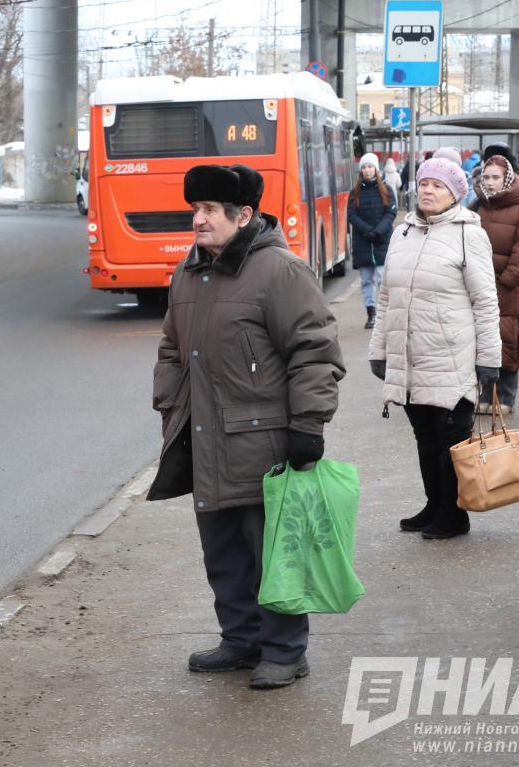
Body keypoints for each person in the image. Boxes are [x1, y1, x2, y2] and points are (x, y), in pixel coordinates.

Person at [149, 163, 344, 690]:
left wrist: (308, 423)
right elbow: (171, 347)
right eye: (195, 209)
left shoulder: (280, 270)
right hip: (205, 436)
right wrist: (170, 405)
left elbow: (316, 350)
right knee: (224, 550)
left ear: (245, 215)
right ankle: (240, 639)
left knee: (273, 553)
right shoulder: (189, 271)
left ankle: (284, 651)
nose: (198, 220)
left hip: (264, 440)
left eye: (209, 210)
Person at [368, 150, 501, 539]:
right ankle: (434, 503)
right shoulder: (402, 233)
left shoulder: (469, 235)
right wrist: (379, 351)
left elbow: (485, 301)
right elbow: (387, 296)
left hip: (452, 356)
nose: (428, 190)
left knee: (451, 439)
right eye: (424, 183)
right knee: (425, 435)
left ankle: (455, 513)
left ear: (455, 193)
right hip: (410, 356)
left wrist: (489, 360)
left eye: (437, 186)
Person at [470, 155, 519, 415]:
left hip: (508, 288)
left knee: (507, 339)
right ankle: (484, 395)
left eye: (495, 177)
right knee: (482, 340)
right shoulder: (478, 206)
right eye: (486, 177)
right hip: (479, 286)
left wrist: (506, 280)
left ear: (507, 178)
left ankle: (505, 398)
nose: (490, 182)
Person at [347, 153, 396, 330]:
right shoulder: (355, 193)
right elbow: (351, 215)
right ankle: (371, 313)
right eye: (364, 167)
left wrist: (379, 230)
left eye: (370, 166)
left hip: (382, 241)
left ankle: (384, 312)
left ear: (376, 169)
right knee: (367, 280)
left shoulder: (387, 190)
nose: (367, 170)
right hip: (363, 242)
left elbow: (391, 212)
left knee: (384, 278)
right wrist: (367, 230)